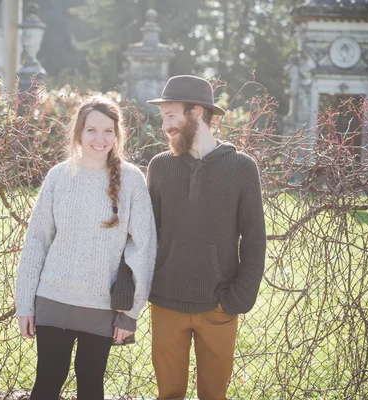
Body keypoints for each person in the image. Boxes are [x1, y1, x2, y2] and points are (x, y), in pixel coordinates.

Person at [15, 96, 157, 400]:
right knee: (47, 382)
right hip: (53, 298)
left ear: (117, 135)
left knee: (91, 386)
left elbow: (144, 248)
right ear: (78, 132)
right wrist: (25, 304)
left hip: (102, 305)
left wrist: (130, 313)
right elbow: (36, 242)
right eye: (92, 130)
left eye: (108, 131)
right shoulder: (59, 176)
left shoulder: (131, 180)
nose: (100, 139)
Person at [146, 75, 267, 400]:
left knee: (214, 396)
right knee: (168, 395)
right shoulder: (160, 167)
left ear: (196, 113)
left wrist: (237, 299)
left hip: (218, 306)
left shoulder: (242, 168)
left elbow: (255, 241)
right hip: (167, 303)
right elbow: (147, 234)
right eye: (164, 117)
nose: (165, 125)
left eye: (171, 116)